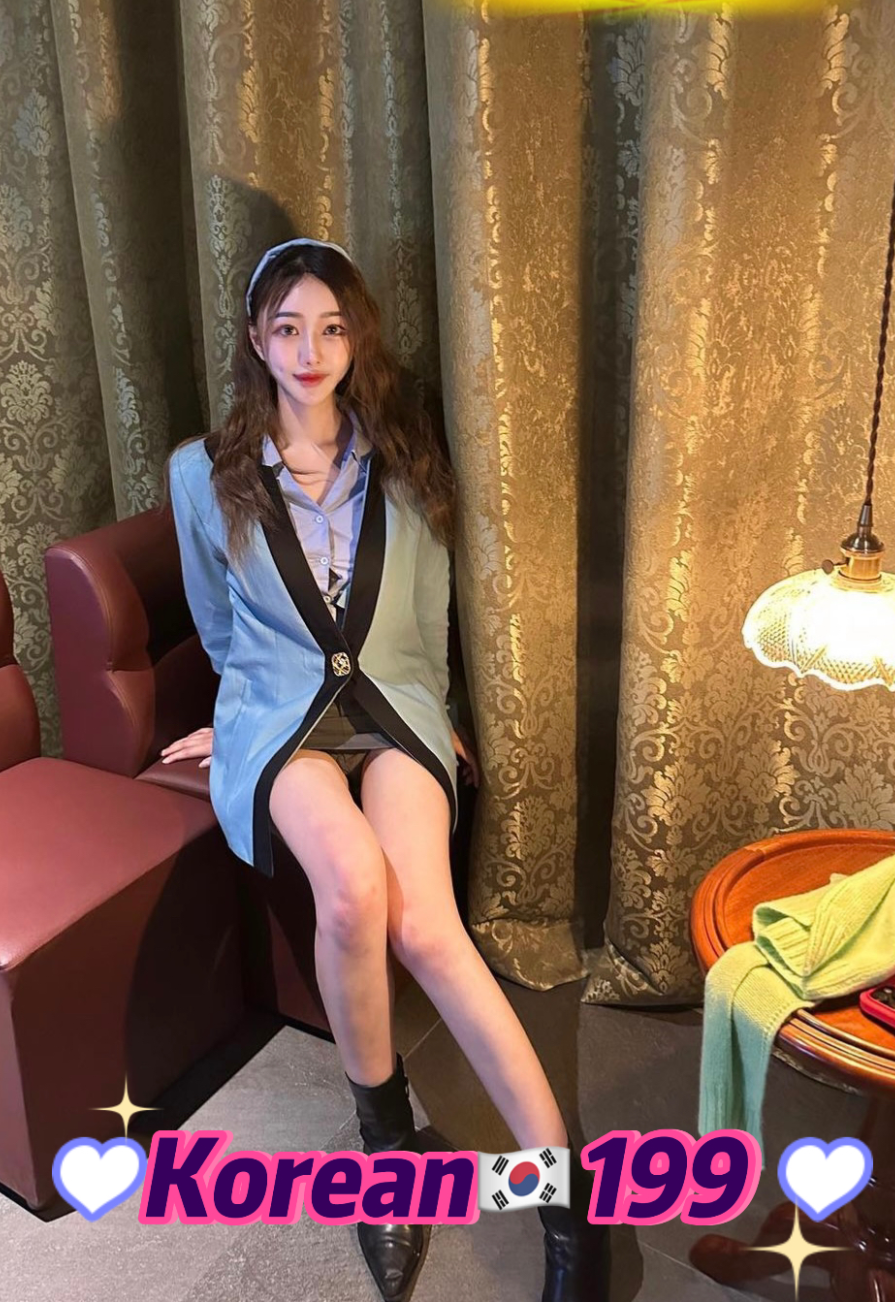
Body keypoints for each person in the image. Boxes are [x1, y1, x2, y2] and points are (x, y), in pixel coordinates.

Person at [161, 239, 607, 1302]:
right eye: (287, 329)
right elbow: (217, 621)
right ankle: (385, 1153)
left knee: (431, 930)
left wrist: (437, 712)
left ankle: (566, 1201)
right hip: (282, 723)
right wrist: (237, 718)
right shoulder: (201, 472)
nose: (309, 351)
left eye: (330, 327)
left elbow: (429, 606)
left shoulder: (403, 454)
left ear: (356, 338)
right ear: (256, 340)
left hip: (396, 706)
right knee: (356, 890)